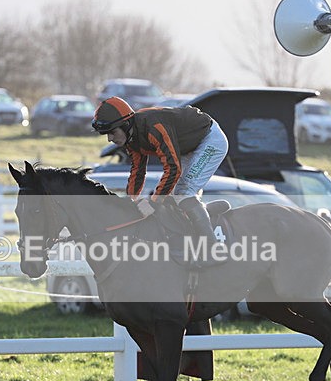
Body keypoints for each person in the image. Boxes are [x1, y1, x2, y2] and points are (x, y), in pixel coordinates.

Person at [91, 96, 229, 259]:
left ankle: (213, 248)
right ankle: (202, 215)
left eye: (112, 132)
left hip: (209, 139)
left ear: (126, 124)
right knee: (173, 195)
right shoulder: (131, 139)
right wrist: (131, 201)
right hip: (188, 145)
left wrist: (154, 203)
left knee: (183, 192)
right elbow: (137, 171)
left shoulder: (154, 128)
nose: (110, 139)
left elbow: (173, 169)